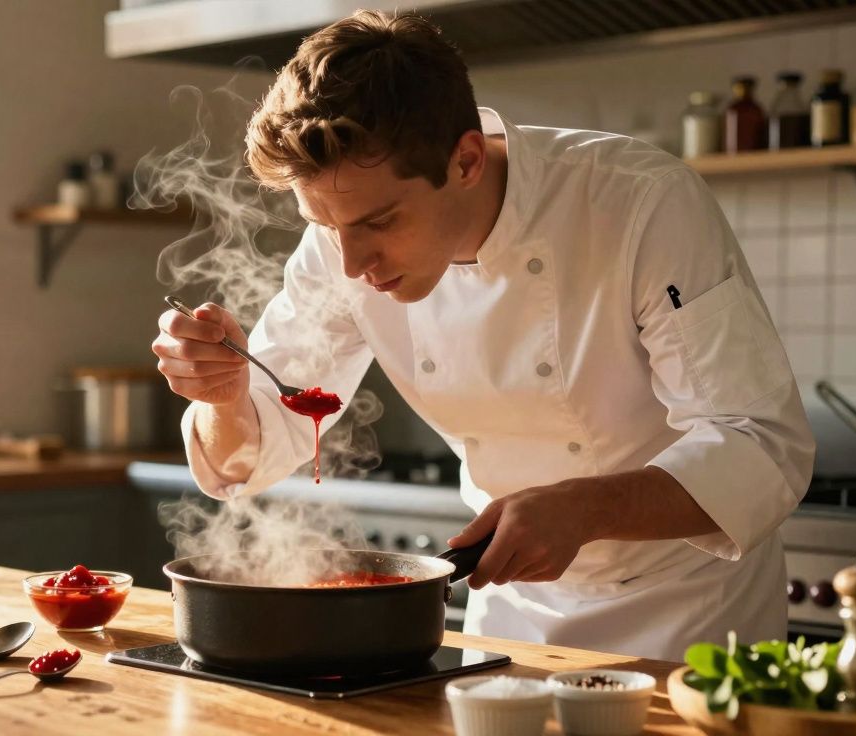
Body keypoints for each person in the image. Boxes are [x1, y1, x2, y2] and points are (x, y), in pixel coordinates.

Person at [151, 10, 814, 661]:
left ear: (466, 160)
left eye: (380, 221)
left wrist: (584, 509)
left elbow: (760, 446)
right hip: (514, 611)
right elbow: (245, 457)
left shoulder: (638, 203)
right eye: (325, 225)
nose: (352, 263)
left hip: (688, 612)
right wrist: (223, 397)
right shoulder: (340, 243)